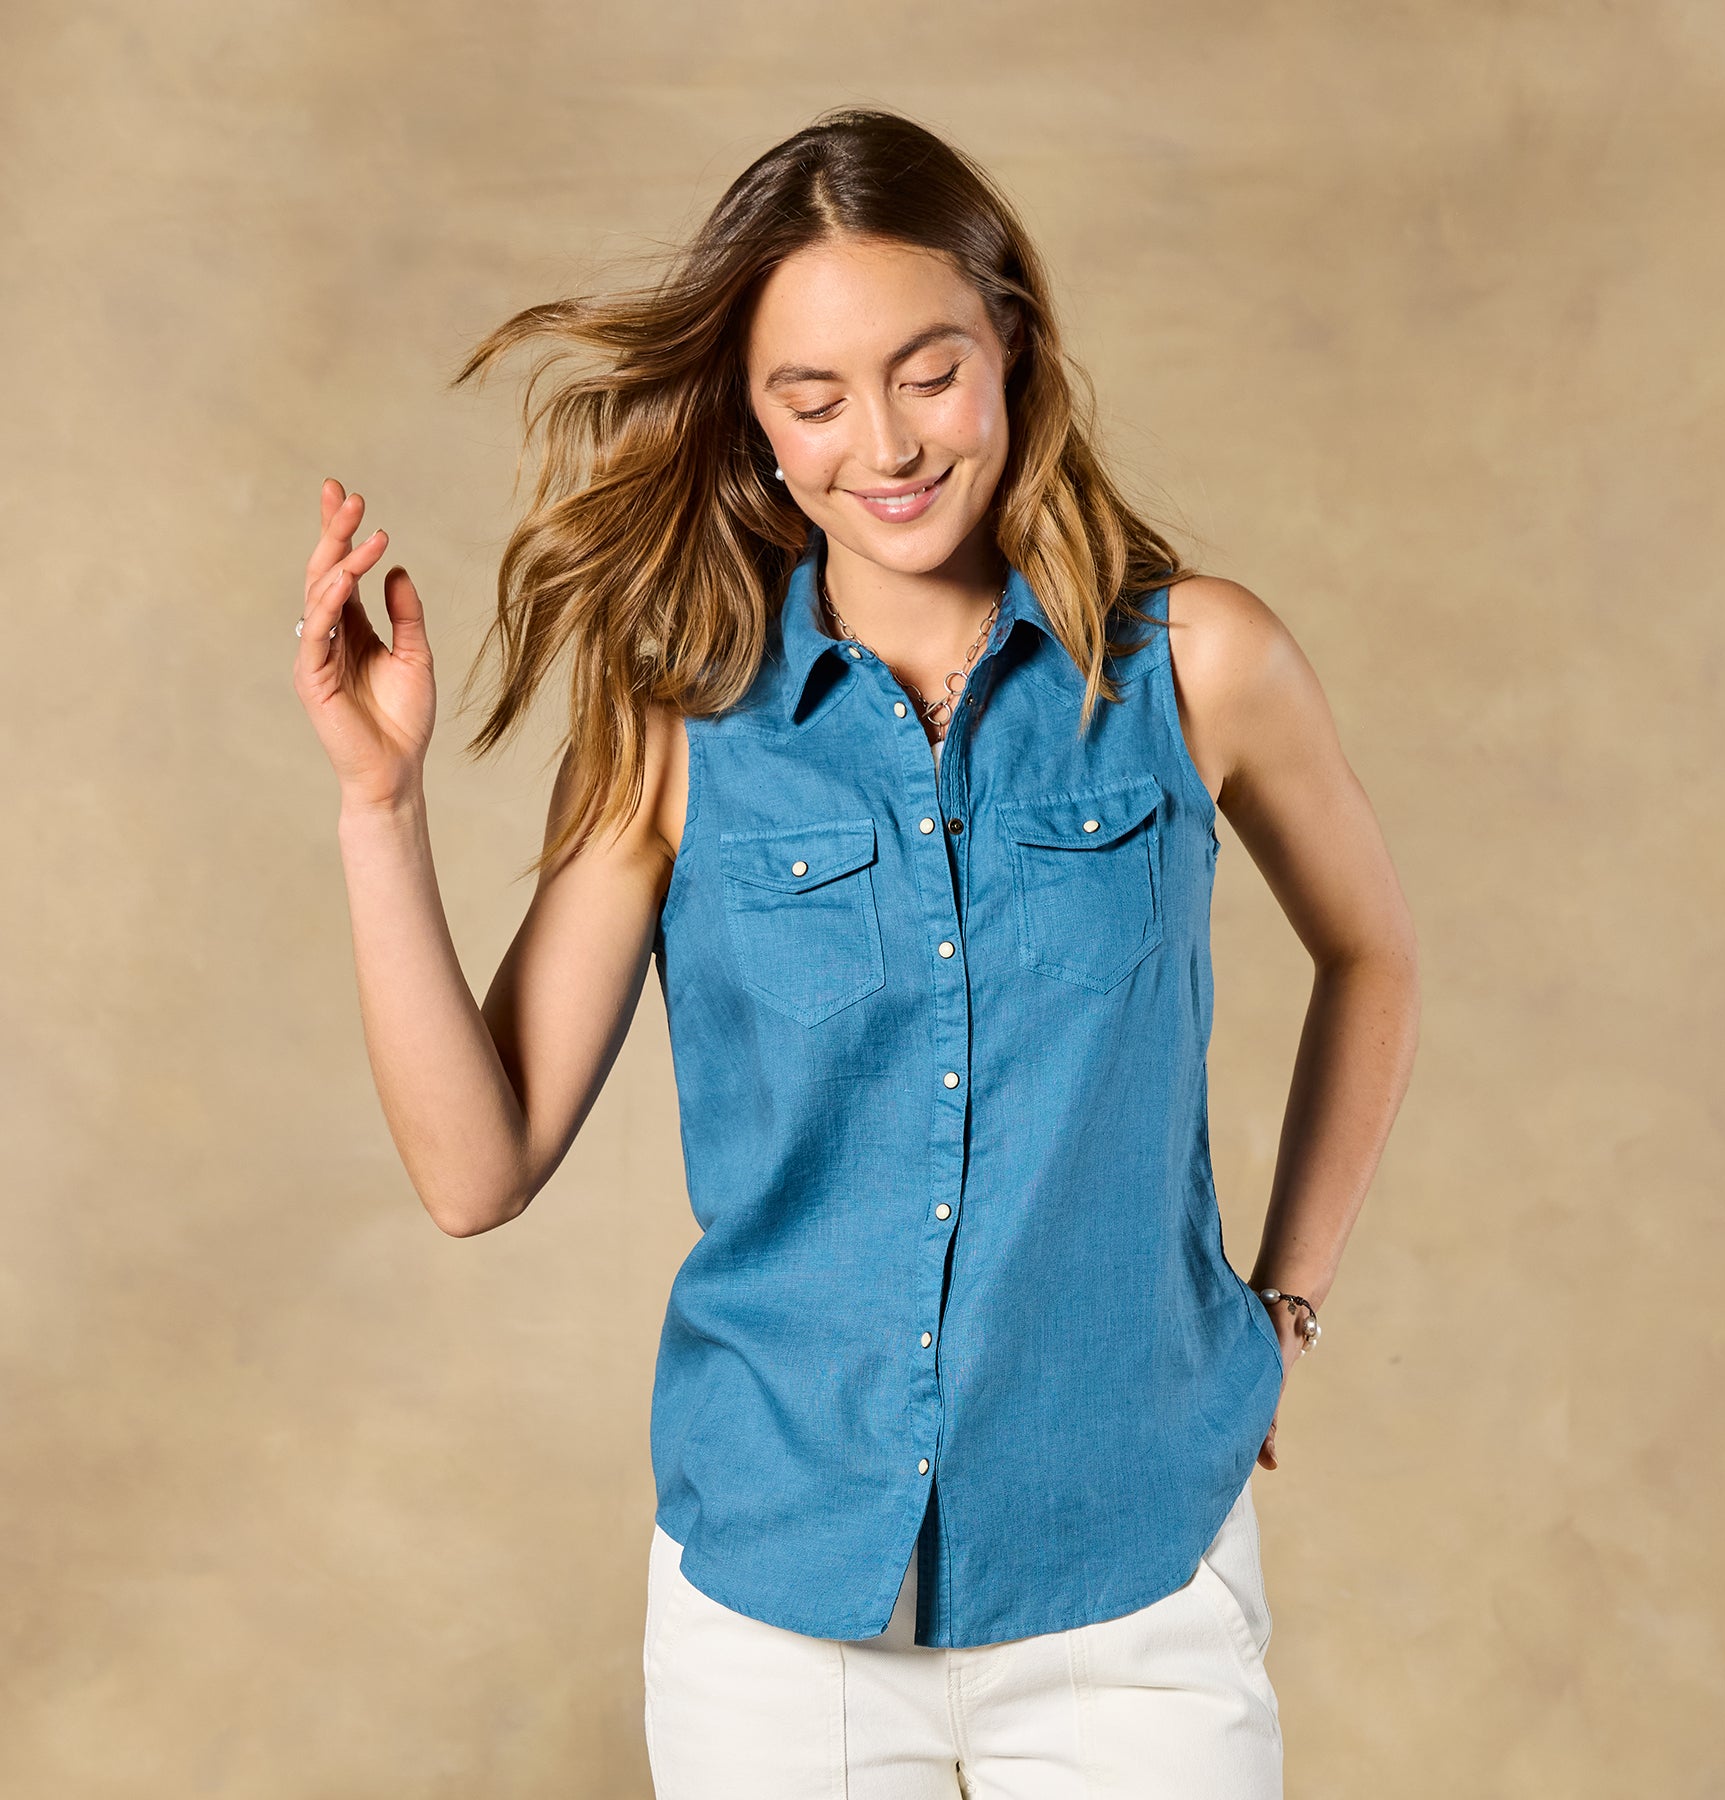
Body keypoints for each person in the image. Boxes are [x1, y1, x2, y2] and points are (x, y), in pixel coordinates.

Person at [292, 106, 1420, 1800]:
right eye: (812, 399)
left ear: (1011, 346)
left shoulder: (1201, 666)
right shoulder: (678, 727)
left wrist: (1289, 1305)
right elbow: (477, 1167)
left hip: (1129, 1585)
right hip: (779, 1613)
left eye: (928, 373)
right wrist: (379, 807)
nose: (882, 444)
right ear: (754, 424)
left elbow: (1373, 953)